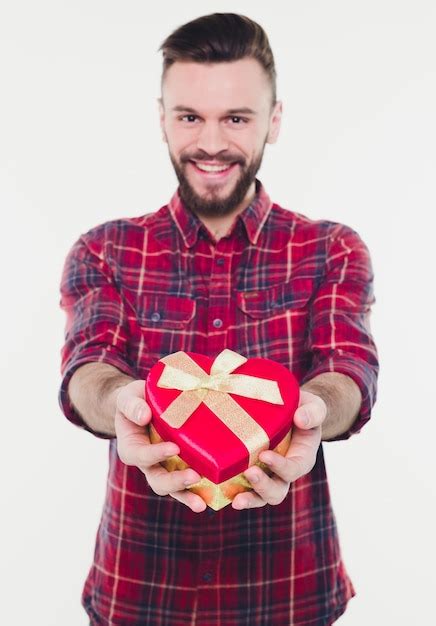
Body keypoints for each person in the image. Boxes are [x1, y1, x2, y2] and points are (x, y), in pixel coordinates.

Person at [59, 12, 379, 626]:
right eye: (189, 117)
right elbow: (87, 368)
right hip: (140, 594)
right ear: (162, 121)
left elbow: (347, 369)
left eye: (235, 117)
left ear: (274, 121)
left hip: (290, 593)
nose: (210, 142)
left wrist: (308, 413)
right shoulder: (104, 250)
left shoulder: (332, 249)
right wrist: (124, 399)